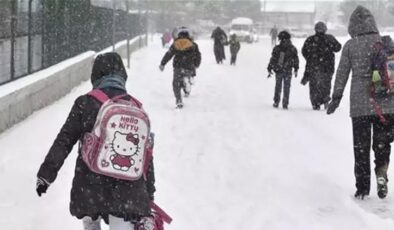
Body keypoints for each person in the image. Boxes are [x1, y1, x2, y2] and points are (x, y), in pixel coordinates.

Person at [36, 52, 156, 229]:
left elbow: (64, 140)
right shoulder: (135, 107)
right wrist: (149, 193)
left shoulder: (85, 103)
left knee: (91, 221)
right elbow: (145, 156)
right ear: (122, 75)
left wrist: (46, 175)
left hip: (90, 186)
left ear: (95, 76)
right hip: (127, 191)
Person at [327, 6, 394, 200]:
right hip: (386, 105)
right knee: (382, 144)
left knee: (361, 148)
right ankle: (381, 174)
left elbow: (342, 74)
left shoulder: (351, 45)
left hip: (360, 106)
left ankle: (363, 188)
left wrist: (336, 98)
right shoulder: (384, 43)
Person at [301, 21, 342, 110]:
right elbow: (338, 48)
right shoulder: (329, 38)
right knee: (326, 84)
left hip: (313, 66)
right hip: (328, 67)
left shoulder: (310, 40)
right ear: (325, 29)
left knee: (314, 85)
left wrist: (310, 58)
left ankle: (315, 103)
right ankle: (325, 99)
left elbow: (304, 51)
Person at [159, 27, 201, 108]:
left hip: (178, 66)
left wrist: (162, 64)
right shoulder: (193, 45)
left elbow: (169, 54)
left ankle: (178, 101)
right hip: (189, 66)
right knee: (187, 76)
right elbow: (198, 56)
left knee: (176, 84)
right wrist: (196, 64)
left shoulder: (176, 44)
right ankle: (188, 82)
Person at [267, 30, 299, 109]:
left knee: (278, 86)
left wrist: (270, 67)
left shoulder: (277, 48)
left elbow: (273, 59)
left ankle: (276, 101)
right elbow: (296, 59)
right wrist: (296, 68)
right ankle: (285, 103)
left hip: (279, 70)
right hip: (288, 70)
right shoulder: (292, 48)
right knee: (287, 87)